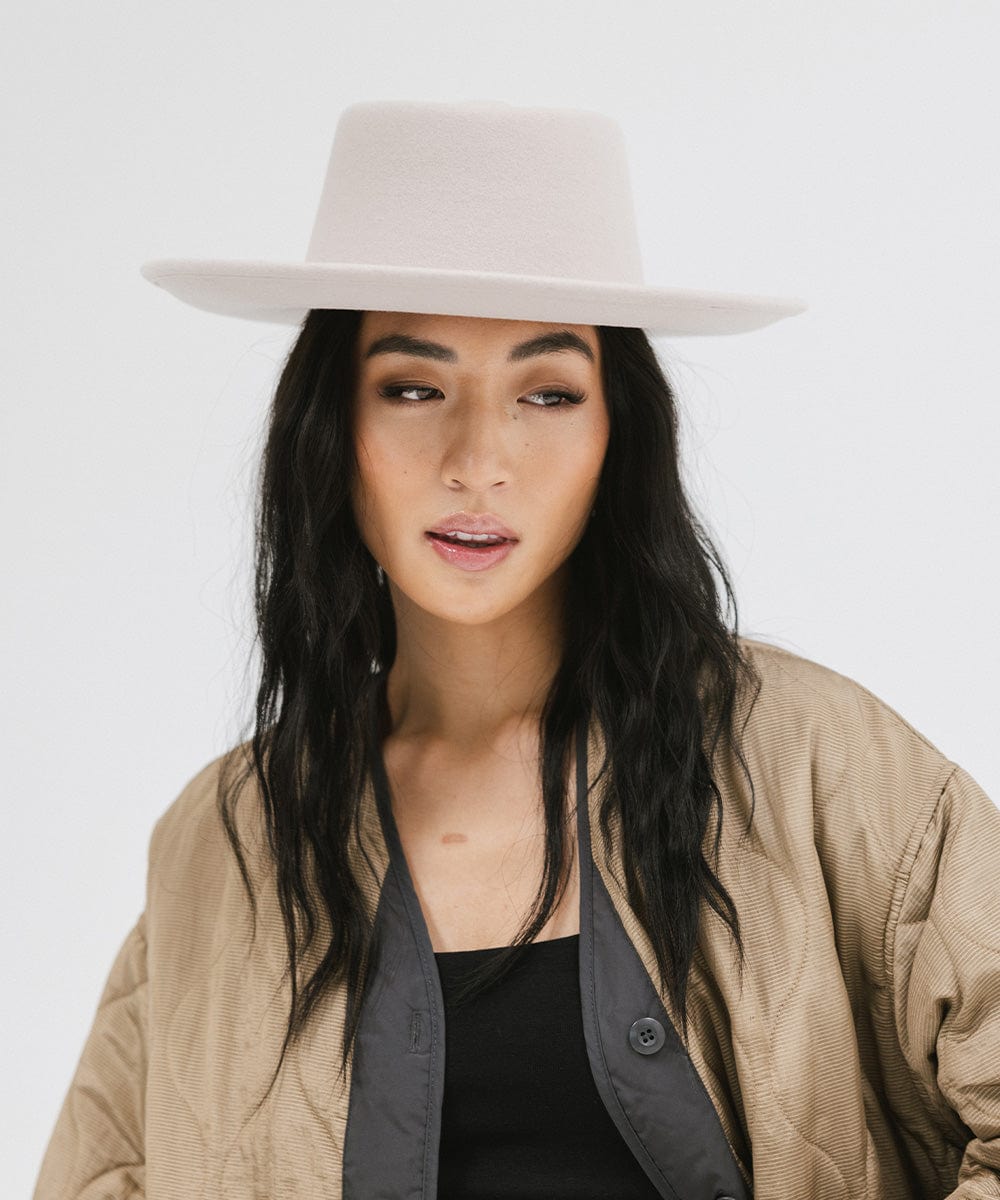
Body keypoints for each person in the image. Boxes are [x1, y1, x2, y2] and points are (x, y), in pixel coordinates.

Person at [33, 100, 1000, 1200]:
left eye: (546, 392)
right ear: (329, 429)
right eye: (412, 387)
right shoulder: (224, 841)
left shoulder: (814, 760)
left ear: (613, 433)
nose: (478, 459)